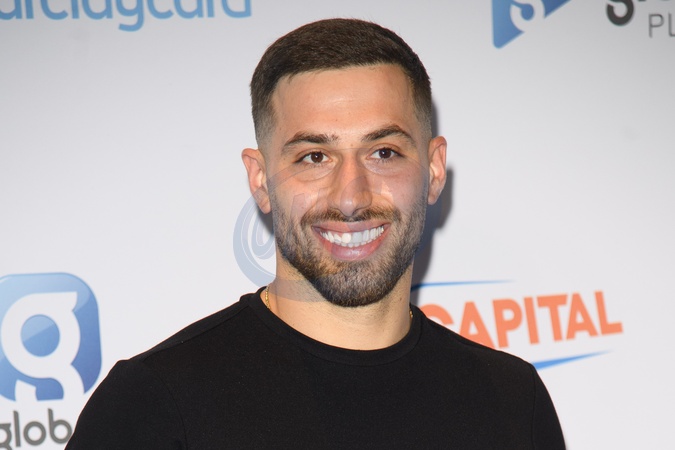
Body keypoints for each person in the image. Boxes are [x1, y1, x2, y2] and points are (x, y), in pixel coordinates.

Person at [66, 18, 565, 449]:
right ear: (260, 180)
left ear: (434, 170)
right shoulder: (153, 403)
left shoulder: (511, 400)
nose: (351, 197)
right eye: (314, 157)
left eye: (383, 152)